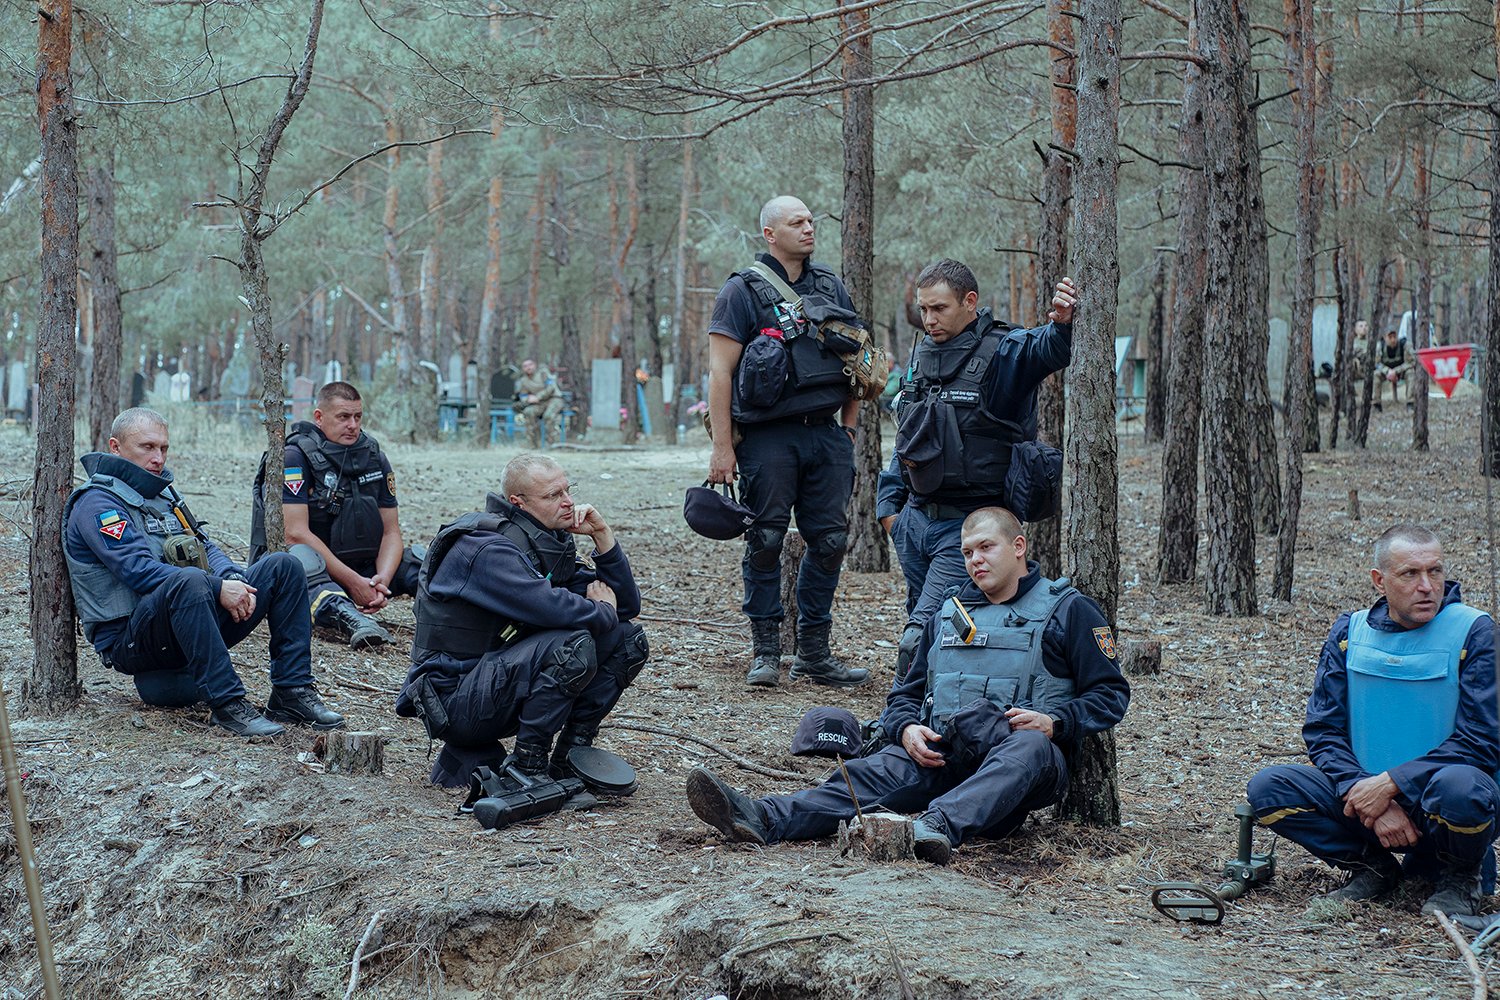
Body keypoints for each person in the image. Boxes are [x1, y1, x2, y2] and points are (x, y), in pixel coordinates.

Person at [686, 507, 1130, 864]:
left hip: (1020, 765)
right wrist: (905, 731)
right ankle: (762, 816)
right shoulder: (948, 613)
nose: (975, 560)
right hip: (941, 756)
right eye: (967, 552)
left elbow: (1111, 694)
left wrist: (1055, 722)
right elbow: (905, 695)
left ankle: (935, 828)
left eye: (986, 548)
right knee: (865, 774)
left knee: (1028, 748)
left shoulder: (1068, 611)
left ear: (1018, 547)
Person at [1247, 524, 1497, 916]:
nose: (1428, 586)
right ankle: (1372, 868)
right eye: (1410, 574)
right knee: (1270, 789)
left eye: (1435, 571)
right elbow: (1323, 731)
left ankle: (1460, 878)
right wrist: (1364, 794)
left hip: (1443, 798)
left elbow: (1481, 740)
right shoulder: (1350, 632)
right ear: (1380, 581)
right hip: (1366, 798)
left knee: (1461, 788)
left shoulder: (1475, 632)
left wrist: (1392, 784)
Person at [63, 408, 344, 737]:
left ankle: (291, 693)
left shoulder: (163, 494)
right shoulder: (98, 503)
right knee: (190, 580)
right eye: (147, 447)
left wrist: (233, 580)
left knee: (283, 566)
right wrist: (216, 588)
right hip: (130, 638)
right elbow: (138, 570)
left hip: (188, 616)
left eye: (163, 448)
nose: (158, 458)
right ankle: (228, 705)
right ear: (115, 447)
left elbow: (205, 546)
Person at [396, 454, 650, 801]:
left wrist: (603, 537)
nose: (568, 502)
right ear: (519, 502)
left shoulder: (543, 542)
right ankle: (526, 768)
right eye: (552, 495)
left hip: (494, 687)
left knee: (628, 640)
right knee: (571, 645)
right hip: (455, 702)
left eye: (567, 490)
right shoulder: (486, 549)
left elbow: (626, 608)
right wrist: (602, 609)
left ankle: (570, 758)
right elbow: (557, 608)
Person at [876, 259, 1076, 681]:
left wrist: (1062, 324)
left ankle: (898, 726)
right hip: (915, 523)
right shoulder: (922, 355)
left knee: (919, 637)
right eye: (923, 308)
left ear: (970, 302)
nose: (929, 319)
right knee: (934, 628)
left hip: (967, 531)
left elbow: (1048, 349)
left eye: (940, 308)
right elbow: (909, 435)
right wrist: (890, 511)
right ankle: (935, 715)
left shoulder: (1003, 351)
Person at [706, 194, 868, 689]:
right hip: (767, 439)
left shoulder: (830, 285)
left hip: (826, 435)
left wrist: (849, 427)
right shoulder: (741, 291)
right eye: (796, 222)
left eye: (811, 220)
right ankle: (766, 653)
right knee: (766, 540)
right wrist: (722, 447)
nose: (808, 228)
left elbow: (859, 357)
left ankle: (815, 654)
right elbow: (719, 371)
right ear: (770, 234)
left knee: (831, 542)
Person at [251, 381, 416, 650]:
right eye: (343, 417)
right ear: (319, 417)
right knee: (299, 561)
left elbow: (391, 531)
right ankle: (351, 619)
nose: (352, 425)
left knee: (422, 561)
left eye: (357, 417)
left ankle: (453, 617)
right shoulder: (294, 457)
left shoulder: (374, 456)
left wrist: (381, 580)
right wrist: (353, 583)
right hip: (315, 570)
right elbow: (295, 533)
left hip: (360, 565)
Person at [516, 359, 564, 447]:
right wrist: (527, 399)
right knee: (528, 412)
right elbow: (523, 395)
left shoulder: (543, 373)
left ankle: (553, 444)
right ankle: (534, 444)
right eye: (525, 366)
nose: (528, 367)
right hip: (539, 403)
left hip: (554, 399)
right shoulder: (524, 381)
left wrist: (538, 397)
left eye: (530, 365)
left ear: (534, 365)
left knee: (548, 416)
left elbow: (551, 387)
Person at [1375, 328, 1411, 409]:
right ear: (1385, 338)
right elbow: (1376, 363)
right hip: (1385, 372)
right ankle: (1376, 404)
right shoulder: (1380, 346)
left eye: (1394, 337)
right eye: (1390, 337)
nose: (1393, 340)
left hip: (1401, 371)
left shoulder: (1404, 345)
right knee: (1376, 375)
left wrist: (1396, 371)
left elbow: (1410, 362)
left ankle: (1410, 403)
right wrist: (1387, 371)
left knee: (1411, 373)